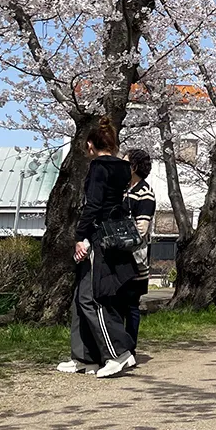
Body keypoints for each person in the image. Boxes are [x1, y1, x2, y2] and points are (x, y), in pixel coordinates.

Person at [57, 117, 137, 378]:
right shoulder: (124, 169)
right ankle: (84, 357)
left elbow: (93, 205)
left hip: (96, 237)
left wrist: (81, 237)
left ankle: (118, 353)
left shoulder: (98, 168)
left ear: (90, 145)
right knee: (81, 297)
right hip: (112, 236)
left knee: (92, 298)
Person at [118, 148, 155, 350]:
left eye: (125, 163)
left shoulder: (145, 193)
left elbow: (141, 229)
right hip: (118, 256)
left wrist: (118, 239)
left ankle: (129, 348)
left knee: (131, 304)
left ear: (133, 167)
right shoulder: (123, 189)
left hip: (134, 259)